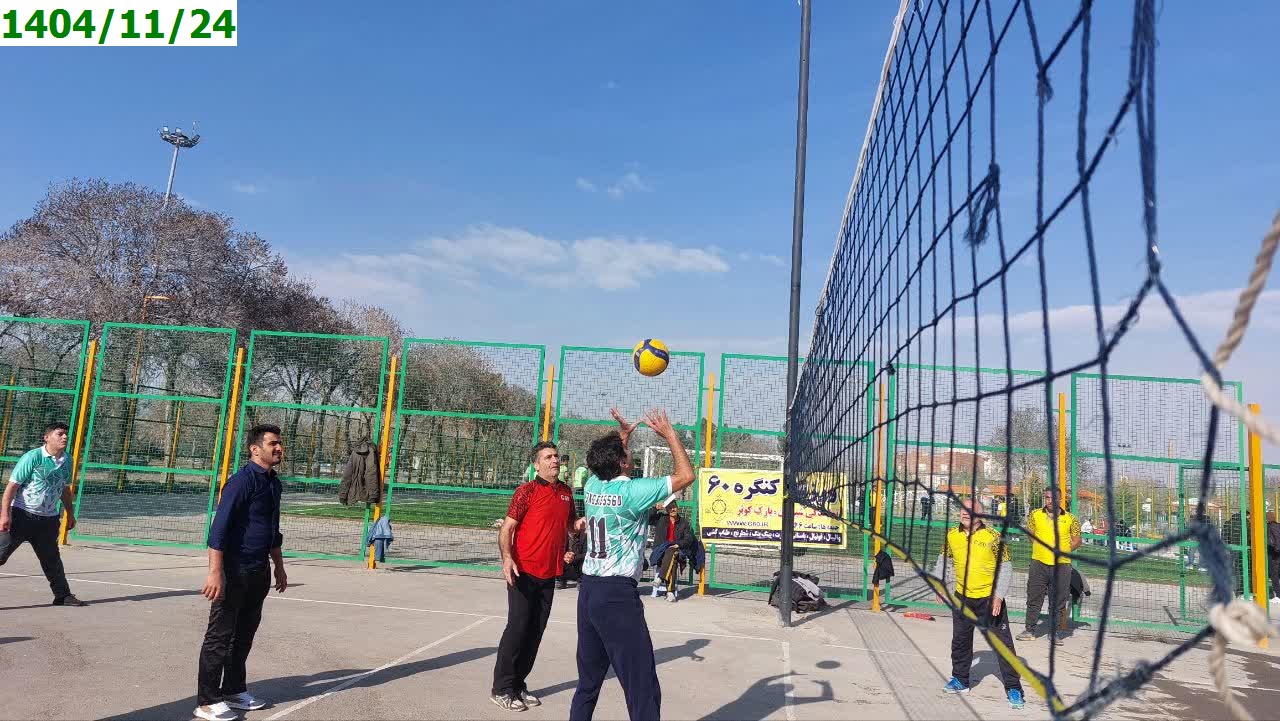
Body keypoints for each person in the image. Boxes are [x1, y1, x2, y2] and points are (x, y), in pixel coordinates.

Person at [570, 408, 696, 721]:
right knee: (642, 685)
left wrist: (623, 437)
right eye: (626, 452)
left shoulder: (593, 486)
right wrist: (670, 435)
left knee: (588, 683)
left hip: (588, 591)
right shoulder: (632, 492)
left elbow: (610, 464)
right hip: (616, 595)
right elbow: (686, 475)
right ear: (623, 462)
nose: (629, 454)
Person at [196, 424, 288, 721]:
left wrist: (279, 567)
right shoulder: (240, 482)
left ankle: (234, 690)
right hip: (234, 571)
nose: (279, 448)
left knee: (245, 634)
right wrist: (215, 572)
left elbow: (273, 530)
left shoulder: (274, 484)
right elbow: (218, 530)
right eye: (273, 444)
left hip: (259, 571)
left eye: (280, 443)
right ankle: (207, 701)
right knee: (219, 637)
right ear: (255, 449)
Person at [491, 441, 580, 712]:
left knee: (535, 632)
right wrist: (507, 558)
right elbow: (507, 528)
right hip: (523, 571)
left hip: (549, 573)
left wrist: (581, 526)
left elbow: (570, 525)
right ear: (536, 464)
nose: (555, 461)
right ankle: (501, 688)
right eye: (548, 457)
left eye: (556, 456)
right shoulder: (526, 491)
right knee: (518, 629)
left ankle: (518, 684)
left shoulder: (566, 492)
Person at [932, 499, 1024, 710]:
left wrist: (998, 596)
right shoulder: (952, 535)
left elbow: (1006, 567)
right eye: (963, 510)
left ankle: (1013, 687)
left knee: (1003, 645)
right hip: (962, 598)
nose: (965, 513)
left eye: (971, 511)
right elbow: (943, 559)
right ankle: (960, 680)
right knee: (960, 641)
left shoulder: (994, 537)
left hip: (989, 599)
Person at [0, 421, 85, 607]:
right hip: (21, 515)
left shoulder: (68, 460)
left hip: (48, 520)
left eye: (66, 434)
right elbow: (11, 487)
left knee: (52, 560)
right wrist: (4, 515)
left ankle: (62, 595)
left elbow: (64, 489)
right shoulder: (33, 457)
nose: (64, 437)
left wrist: (70, 513)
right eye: (59, 434)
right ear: (47, 437)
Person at [1020, 486, 1082, 644]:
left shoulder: (1071, 518)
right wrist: (1041, 548)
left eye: (1054, 498)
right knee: (1034, 598)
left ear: (1060, 500)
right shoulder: (1035, 515)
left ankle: (1054, 634)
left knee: (1058, 601)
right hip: (1038, 563)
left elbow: (1077, 541)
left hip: (1061, 566)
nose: (1050, 501)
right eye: (1047, 497)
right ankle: (1029, 630)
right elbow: (1030, 534)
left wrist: (1064, 550)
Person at [647, 500, 698, 601]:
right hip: (660, 552)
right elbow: (648, 519)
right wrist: (655, 509)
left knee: (672, 551)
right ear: (667, 510)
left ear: (677, 508)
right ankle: (670, 592)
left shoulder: (683, 522)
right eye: (670, 508)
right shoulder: (661, 519)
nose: (672, 509)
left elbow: (688, 539)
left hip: (677, 550)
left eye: (674, 507)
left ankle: (660, 578)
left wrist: (678, 544)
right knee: (672, 558)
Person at [1268, 510, 1280, 601]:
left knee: (1274, 574)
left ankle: (1277, 594)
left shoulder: (1270, 527)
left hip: (1273, 553)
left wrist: (1276, 549)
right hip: (1277, 553)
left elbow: (1273, 540)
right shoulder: (1278, 525)